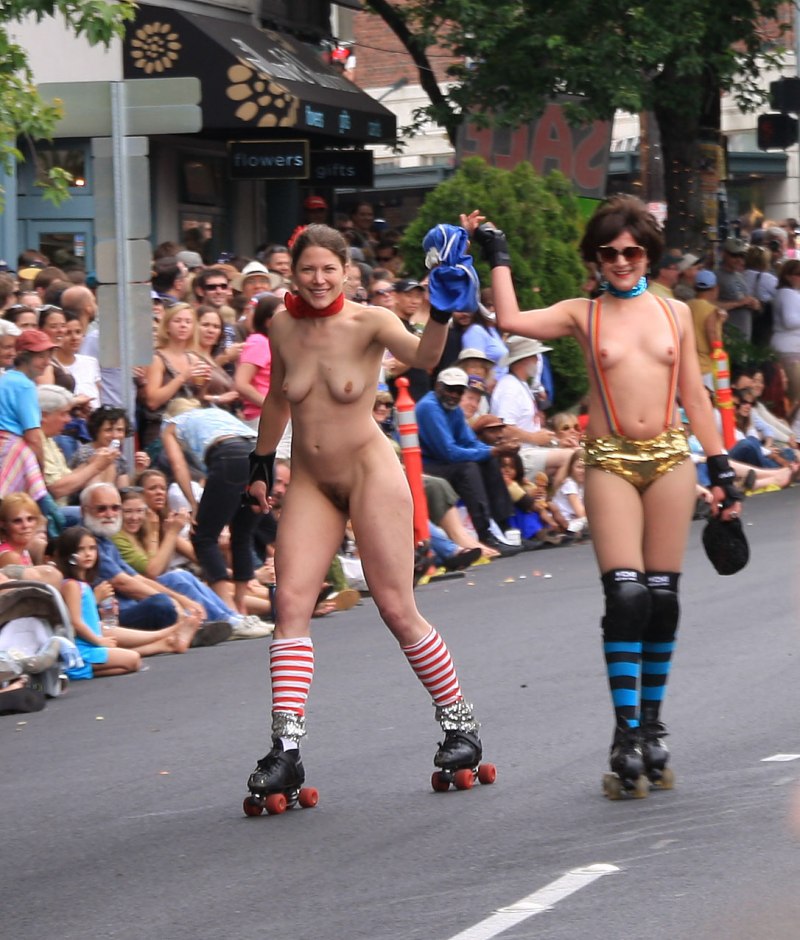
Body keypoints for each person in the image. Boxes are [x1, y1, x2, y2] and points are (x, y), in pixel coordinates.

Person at [470, 194, 742, 797]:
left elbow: (696, 399)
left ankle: (651, 724)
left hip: (671, 458)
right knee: (627, 597)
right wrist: (498, 253)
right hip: (611, 461)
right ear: (596, 257)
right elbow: (509, 320)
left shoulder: (673, 313)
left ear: (648, 253)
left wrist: (722, 470)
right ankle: (625, 733)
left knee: (663, 600)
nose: (621, 261)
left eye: (632, 251)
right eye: (610, 252)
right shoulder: (583, 313)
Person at [245, 222, 489, 807]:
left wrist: (440, 310)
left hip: (370, 475)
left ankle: (460, 726)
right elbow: (279, 395)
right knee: (290, 606)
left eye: (330, 268)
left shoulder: (371, 322)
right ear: (292, 272)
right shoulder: (281, 324)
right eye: (308, 269)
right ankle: (286, 750)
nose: (319, 279)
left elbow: (425, 357)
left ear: (347, 272)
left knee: (397, 608)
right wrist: (259, 462)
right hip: (309, 479)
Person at [54, 527, 199, 680]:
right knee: (133, 661)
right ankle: (172, 632)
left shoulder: (82, 584)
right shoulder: (71, 585)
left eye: (92, 548)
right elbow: (75, 622)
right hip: (84, 647)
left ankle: (169, 639)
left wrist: (102, 610)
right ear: (69, 555)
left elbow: (84, 614)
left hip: (92, 641)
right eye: (81, 549)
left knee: (131, 660)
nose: (88, 553)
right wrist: (99, 641)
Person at [416, 367, 520, 555]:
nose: (454, 395)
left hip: (440, 461)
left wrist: (493, 451)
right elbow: (449, 452)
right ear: (438, 387)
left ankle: (505, 527)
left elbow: (470, 442)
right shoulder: (429, 407)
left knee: (488, 460)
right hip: (423, 465)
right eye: (450, 389)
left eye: (459, 391)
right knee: (468, 468)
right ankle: (484, 533)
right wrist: (495, 450)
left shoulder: (453, 408)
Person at [770, 258, 800, 407]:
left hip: (790, 348)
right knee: (795, 395)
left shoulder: (788, 293)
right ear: (788, 276)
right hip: (789, 350)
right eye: (798, 274)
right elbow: (789, 321)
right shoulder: (788, 294)